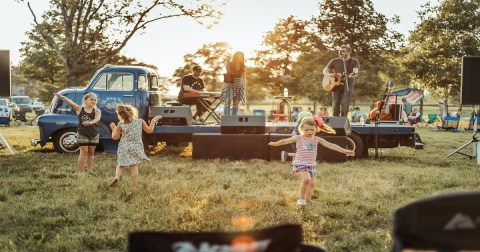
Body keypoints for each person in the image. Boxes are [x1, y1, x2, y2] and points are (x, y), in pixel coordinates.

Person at [269, 117, 354, 206]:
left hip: (311, 165)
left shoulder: (317, 139)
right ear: (301, 129)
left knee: (312, 183)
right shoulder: (298, 138)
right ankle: (301, 199)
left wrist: (344, 150)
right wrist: (275, 144)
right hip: (301, 163)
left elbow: (331, 145)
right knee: (306, 179)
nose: (309, 132)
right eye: (306, 130)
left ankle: (308, 199)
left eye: (312, 130)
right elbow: (285, 140)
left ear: (316, 129)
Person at [109, 105, 162, 187]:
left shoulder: (120, 124)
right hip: (136, 146)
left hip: (124, 146)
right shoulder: (140, 121)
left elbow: (115, 137)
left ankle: (116, 177)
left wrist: (113, 128)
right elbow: (149, 130)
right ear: (133, 113)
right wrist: (154, 120)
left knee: (121, 165)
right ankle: (134, 186)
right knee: (134, 165)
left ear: (121, 115)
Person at [54, 92, 101, 174]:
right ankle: (81, 172)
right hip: (83, 133)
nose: (94, 101)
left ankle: (90, 171)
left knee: (91, 152)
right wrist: (61, 97)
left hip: (94, 134)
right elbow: (70, 102)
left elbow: (97, 119)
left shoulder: (97, 110)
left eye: (95, 100)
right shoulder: (79, 109)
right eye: (91, 99)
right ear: (85, 100)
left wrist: (90, 123)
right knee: (84, 152)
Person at [323, 45, 360, 117]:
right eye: (340, 50)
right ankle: (335, 120)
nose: (340, 52)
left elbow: (355, 72)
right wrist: (329, 75)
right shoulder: (334, 61)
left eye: (343, 51)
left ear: (349, 52)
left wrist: (352, 75)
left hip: (348, 84)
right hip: (336, 84)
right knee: (336, 103)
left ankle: (343, 120)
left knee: (345, 103)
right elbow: (325, 70)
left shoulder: (354, 61)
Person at [221, 51, 246, 116]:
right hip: (230, 83)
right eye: (239, 57)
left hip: (239, 85)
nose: (241, 58)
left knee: (236, 103)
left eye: (242, 57)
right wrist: (227, 61)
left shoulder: (243, 66)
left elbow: (244, 77)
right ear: (236, 57)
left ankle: (233, 118)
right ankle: (227, 118)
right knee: (228, 101)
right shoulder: (229, 63)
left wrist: (243, 88)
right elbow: (227, 70)